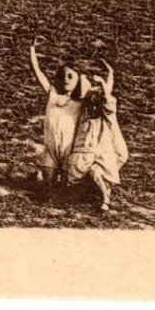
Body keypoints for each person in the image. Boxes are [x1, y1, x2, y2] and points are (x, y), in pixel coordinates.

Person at [65, 60, 128, 212]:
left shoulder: (105, 117)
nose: (93, 105)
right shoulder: (84, 118)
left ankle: (106, 199)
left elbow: (109, 101)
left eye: (96, 103)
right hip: (84, 162)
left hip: (99, 161)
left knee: (96, 172)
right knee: (81, 184)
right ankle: (99, 192)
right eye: (90, 102)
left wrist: (109, 75)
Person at [29, 38, 90, 194]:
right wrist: (32, 50)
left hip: (68, 151)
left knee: (64, 188)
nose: (65, 78)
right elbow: (38, 73)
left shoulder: (80, 102)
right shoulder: (53, 95)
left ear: (78, 81)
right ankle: (40, 179)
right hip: (51, 148)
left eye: (70, 76)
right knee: (47, 185)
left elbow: (99, 93)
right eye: (63, 75)